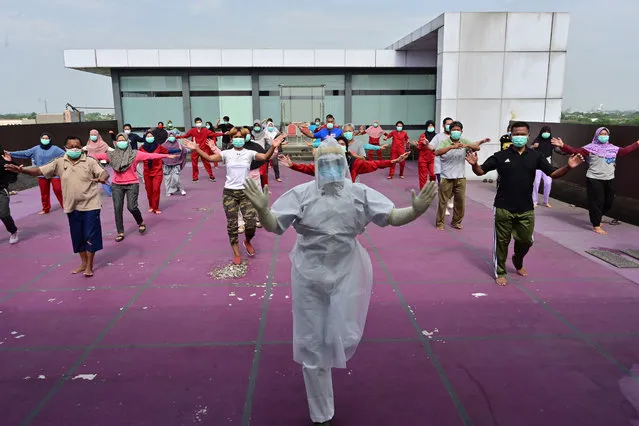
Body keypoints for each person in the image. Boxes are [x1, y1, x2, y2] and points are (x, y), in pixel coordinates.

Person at [243, 138, 438, 426]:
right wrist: (262, 210)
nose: (331, 167)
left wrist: (416, 211)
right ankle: (321, 413)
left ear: (345, 163)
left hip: (348, 271)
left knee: (344, 333)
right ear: (317, 165)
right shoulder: (301, 195)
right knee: (312, 343)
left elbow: (392, 216)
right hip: (309, 274)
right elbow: (275, 225)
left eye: (337, 161)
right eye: (325, 162)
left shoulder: (359, 193)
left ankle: (330, 357)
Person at [465, 121, 584, 286]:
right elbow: (481, 171)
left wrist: (568, 167)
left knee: (527, 240)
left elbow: (553, 173)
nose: (519, 137)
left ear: (528, 136)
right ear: (510, 135)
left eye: (522, 134)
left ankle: (517, 259)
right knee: (502, 242)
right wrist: (474, 164)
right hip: (503, 206)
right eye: (516, 134)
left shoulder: (536, 156)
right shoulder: (500, 156)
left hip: (526, 208)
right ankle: (500, 271)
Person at [5, 136, 110, 277]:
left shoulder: (89, 161)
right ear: (65, 147)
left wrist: (102, 178)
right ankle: (83, 263)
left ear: (81, 147)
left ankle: (89, 266)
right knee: (77, 236)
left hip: (90, 205)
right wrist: (21, 170)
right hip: (71, 206)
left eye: (77, 146)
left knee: (90, 235)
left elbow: (104, 172)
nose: (74, 148)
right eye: (71, 146)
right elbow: (39, 171)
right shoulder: (60, 162)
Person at [182, 128, 284, 265]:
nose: (238, 139)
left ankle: (247, 240)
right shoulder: (226, 153)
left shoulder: (249, 153)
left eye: (241, 136)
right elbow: (210, 158)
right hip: (229, 193)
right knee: (232, 224)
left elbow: (265, 157)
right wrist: (196, 148)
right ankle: (236, 251)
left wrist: (273, 146)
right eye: (235, 137)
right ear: (231, 139)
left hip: (245, 193)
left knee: (251, 224)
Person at [552, 128, 639, 235]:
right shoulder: (590, 148)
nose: (604, 136)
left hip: (609, 178)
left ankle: (597, 216)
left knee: (609, 201)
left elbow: (625, 150)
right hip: (594, 178)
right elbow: (575, 151)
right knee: (596, 202)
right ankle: (596, 225)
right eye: (601, 134)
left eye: (605, 134)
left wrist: (637, 143)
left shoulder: (613, 149)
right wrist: (563, 145)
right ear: (597, 136)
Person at [90, 133, 174, 242]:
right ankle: (120, 232)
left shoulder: (135, 154)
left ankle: (140, 222)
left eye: (123, 140)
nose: (121, 142)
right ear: (116, 143)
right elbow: (95, 156)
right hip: (117, 185)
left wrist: (166, 156)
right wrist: (82, 155)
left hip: (132, 184)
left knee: (132, 207)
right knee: (117, 208)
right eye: (119, 140)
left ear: (127, 141)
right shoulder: (111, 154)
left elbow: (151, 156)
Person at [280, 135, 409, 183]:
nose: (340, 147)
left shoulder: (355, 163)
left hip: (347, 198)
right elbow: (309, 168)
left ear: (347, 147)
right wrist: (293, 165)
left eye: (343, 145)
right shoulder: (326, 162)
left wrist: (394, 161)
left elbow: (375, 163)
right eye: (338, 144)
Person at [434, 121, 490, 230]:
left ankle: (456, 222)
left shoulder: (464, 141)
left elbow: (476, 148)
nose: (455, 132)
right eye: (453, 130)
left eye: (458, 130)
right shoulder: (445, 142)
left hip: (460, 177)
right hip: (446, 177)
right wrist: (452, 147)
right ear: (450, 131)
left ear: (461, 132)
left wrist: (467, 145)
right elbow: (437, 152)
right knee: (443, 202)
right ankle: (440, 223)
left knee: (460, 202)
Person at [8, 132, 65, 214]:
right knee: (44, 192)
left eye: (46, 138)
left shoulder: (55, 149)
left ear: (50, 139)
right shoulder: (36, 149)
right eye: (43, 138)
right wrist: (10, 153)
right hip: (41, 173)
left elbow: (65, 155)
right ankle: (46, 209)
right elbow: (24, 153)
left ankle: (65, 206)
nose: (45, 140)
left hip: (54, 173)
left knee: (58, 189)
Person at [177, 117, 224, 182]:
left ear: (201, 123)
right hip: (195, 149)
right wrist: (176, 137)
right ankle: (195, 177)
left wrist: (223, 134)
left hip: (203, 150)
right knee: (194, 164)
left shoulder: (205, 130)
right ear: (195, 123)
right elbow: (185, 136)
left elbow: (214, 134)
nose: (198, 124)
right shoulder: (192, 130)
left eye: (199, 122)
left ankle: (211, 176)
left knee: (206, 163)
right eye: (197, 122)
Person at [139, 131, 169, 214]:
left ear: (154, 137)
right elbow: (136, 157)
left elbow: (167, 151)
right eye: (147, 136)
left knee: (156, 189)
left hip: (157, 171)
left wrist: (178, 150)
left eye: (151, 136)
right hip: (147, 172)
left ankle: (156, 207)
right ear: (145, 138)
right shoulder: (141, 148)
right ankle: (151, 206)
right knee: (149, 190)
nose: (149, 137)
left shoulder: (158, 147)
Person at [430, 117, 455, 215]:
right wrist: (427, 145)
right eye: (447, 124)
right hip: (440, 167)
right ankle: (443, 207)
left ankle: (449, 199)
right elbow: (431, 146)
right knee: (443, 188)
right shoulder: (438, 137)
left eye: (451, 124)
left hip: (453, 167)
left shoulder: (456, 137)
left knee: (453, 188)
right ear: (443, 126)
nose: (449, 126)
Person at [531, 126, 555, 208]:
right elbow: (529, 149)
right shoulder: (537, 140)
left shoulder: (551, 141)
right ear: (541, 132)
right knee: (536, 183)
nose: (546, 133)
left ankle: (546, 201)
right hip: (537, 164)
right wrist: (534, 146)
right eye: (544, 131)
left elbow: (557, 149)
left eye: (548, 132)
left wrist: (565, 151)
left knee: (548, 183)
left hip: (547, 164)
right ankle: (534, 201)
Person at [0, 146, 19, 244]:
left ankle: (13, 231)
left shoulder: (3, 161)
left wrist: (10, 162)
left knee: (4, 214)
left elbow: (14, 177)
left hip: (1, 191)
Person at [85, 129, 113, 197]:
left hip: (99, 164)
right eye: (91, 135)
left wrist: (119, 152)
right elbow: (84, 148)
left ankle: (110, 192)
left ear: (98, 135)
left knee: (103, 178)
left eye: (94, 135)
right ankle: (89, 194)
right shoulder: (89, 143)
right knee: (89, 179)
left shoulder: (102, 143)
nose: (93, 136)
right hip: (89, 164)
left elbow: (110, 149)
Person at [412, 120, 437, 190]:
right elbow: (419, 147)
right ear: (426, 127)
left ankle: (431, 189)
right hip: (423, 159)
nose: (430, 127)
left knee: (433, 174)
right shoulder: (423, 135)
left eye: (432, 125)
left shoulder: (436, 136)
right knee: (423, 176)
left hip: (433, 158)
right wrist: (416, 145)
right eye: (429, 125)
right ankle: (423, 192)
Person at [162, 131, 188, 197]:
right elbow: (160, 152)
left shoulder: (178, 144)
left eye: (172, 136)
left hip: (176, 163)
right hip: (166, 164)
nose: (171, 137)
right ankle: (169, 191)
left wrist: (185, 149)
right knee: (167, 179)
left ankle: (181, 189)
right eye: (170, 136)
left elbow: (184, 151)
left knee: (176, 178)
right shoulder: (164, 145)